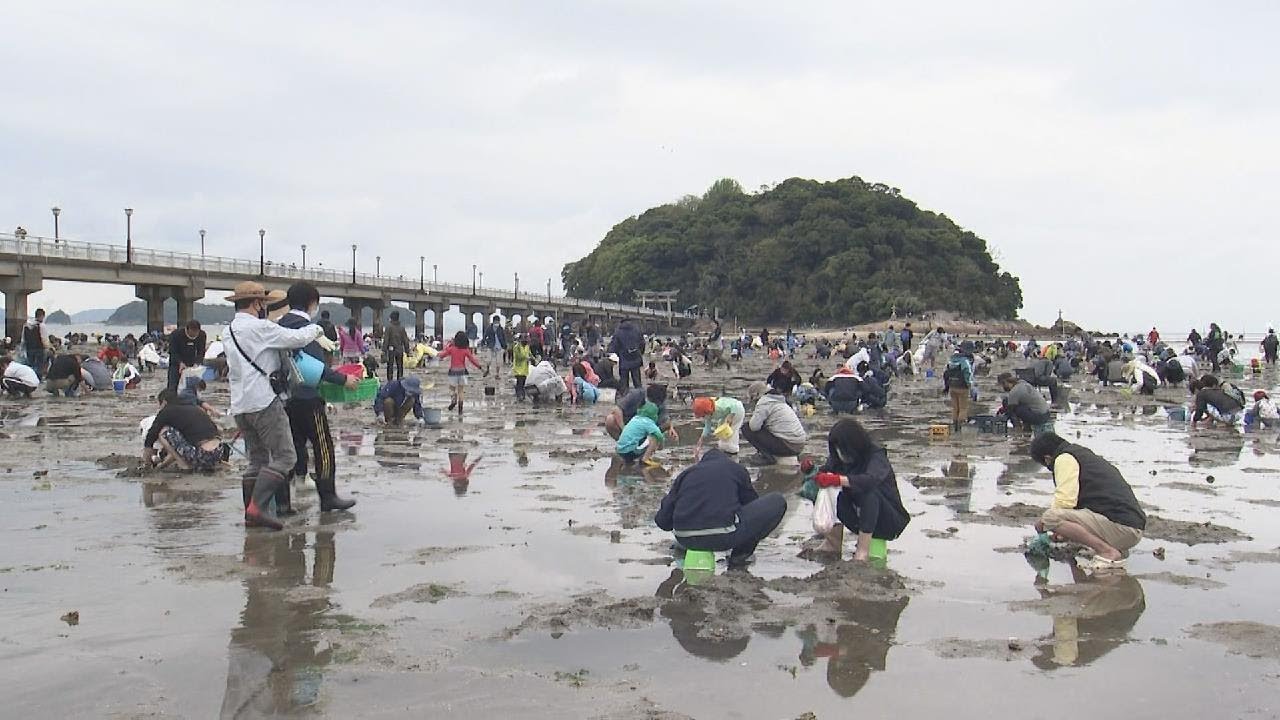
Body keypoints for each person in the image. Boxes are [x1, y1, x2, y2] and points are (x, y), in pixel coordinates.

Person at [224, 281, 330, 531]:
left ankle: (252, 513)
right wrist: (317, 330)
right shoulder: (259, 328)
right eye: (263, 302)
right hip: (263, 402)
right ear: (257, 303)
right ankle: (257, 508)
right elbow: (296, 338)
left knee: (257, 459)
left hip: (240, 405)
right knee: (285, 456)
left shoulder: (229, 331)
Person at [278, 282, 360, 513]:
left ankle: (283, 502)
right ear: (312, 302)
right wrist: (344, 380)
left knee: (289, 449)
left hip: (284, 399)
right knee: (323, 446)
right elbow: (313, 367)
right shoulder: (309, 329)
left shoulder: (277, 326)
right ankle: (328, 496)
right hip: (307, 397)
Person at [1029, 432, 1146, 570]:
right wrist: (1065, 532)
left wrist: (1045, 523)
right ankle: (1114, 550)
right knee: (1059, 518)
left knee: (1050, 517)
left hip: (1123, 528)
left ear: (1047, 458)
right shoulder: (1081, 454)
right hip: (1131, 527)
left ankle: (1107, 551)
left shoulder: (1064, 459)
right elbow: (1078, 509)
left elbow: (1065, 501)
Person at [655, 448, 787, 568]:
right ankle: (739, 557)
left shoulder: (686, 474)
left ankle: (682, 548)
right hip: (722, 538)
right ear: (726, 459)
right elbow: (751, 505)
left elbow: (663, 522)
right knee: (777, 500)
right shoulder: (736, 469)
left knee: (694, 520)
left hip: (685, 538)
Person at [813, 420, 910, 561]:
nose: (839, 452)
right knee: (829, 489)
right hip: (856, 516)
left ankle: (862, 551)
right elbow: (825, 472)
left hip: (886, 519)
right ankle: (832, 543)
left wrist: (839, 480)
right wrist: (812, 472)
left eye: (841, 448)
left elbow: (870, 480)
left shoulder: (875, 456)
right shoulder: (838, 458)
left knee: (869, 492)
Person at [142, 389, 224, 471]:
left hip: (202, 455)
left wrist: (147, 463)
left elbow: (150, 438)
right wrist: (162, 466)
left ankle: (185, 466)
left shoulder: (166, 411)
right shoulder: (194, 408)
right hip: (218, 453)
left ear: (164, 402)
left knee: (164, 431)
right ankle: (198, 463)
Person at [742, 384, 808, 465]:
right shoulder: (778, 400)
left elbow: (753, 427)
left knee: (746, 428)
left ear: (756, 395)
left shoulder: (764, 402)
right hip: (799, 444)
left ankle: (767, 457)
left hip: (789, 445)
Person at [605, 384, 677, 441]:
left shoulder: (660, 401)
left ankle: (646, 449)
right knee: (610, 419)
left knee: (664, 427)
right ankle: (623, 444)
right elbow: (617, 409)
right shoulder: (636, 394)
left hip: (647, 429)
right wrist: (624, 429)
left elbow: (665, 418)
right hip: (628, 423)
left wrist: (671, 428)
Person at [436, 331, 482, 413]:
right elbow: (472, 360)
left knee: (451, 388)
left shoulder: (452, 349)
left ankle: (453, 399)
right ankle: (460, 409)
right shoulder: (466, 350)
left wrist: (447, 347)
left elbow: (442, 355)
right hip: (462, 372)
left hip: (453, 371)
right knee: (461, 390)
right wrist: (480, 367)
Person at [616, 401, 666, 465]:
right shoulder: (648, 422)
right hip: (630, 452)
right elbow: (659, 435)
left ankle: (631, 460)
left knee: (642, 437)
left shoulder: (635, 418)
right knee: (654, 436)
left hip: (620, 451)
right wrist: (661, 445)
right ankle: (645, 459)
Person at [608, 318, 645, 394]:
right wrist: (640, 353)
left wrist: (616, 354)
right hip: (636, 359)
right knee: (637, 381)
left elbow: (614, 346)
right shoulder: (637, 330)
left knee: (624, 382)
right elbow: (642, 343)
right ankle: (641, 398)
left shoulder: (618, 332)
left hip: (624, 359)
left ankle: (625, 398)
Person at [942, 351, 974, 431]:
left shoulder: (950, 362)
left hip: (952, 387)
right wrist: (969, 384)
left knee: (955, 408)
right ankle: (960, 427)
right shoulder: (964, 362)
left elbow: (945, 374)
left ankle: (955, 426)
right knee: (963, 408)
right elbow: (968, 374)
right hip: (963, 387)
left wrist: (947, 387)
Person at [382, 310, 411, 382]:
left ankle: (390, 381)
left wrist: (384, 351)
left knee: (390, 367)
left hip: (391, 350)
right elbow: (405, 340)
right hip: (400, 349)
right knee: (400, 367)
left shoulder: (388, 327)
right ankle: (400, 381)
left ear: (391, 318)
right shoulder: (402, 328)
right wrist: (407, 351)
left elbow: (386, 340)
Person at [22, 308, 49, 380]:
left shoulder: (26, 325)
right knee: (39, 365)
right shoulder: (41, 325)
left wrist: (23, 347)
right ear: (42, 316)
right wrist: (47, 347)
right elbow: (44, 338)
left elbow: (23, 338)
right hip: (39, 348)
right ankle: (38, 379)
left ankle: (30, 378)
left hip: (29, 348)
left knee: (31, 364)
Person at [480, 314, 508, 379]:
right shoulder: (489, 328)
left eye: (498, 322)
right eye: (496, 322)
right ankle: (487, 370)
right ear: (493, 321)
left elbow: (504, 338)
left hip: (499, 347)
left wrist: (505, 346)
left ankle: (497, 374)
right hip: (491, 346)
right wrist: (483, 342)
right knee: (488, 360)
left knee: (498, 362)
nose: (497, 323)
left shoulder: (501, 329)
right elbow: (485, 336)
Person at [512, 334, 531, 401]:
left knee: (522, 383)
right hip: (518, 368)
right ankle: (520, 396)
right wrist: (527, 358)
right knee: (520, 382)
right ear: (520, 340)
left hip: (525, 368)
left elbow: (529, 354)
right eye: (524, 339)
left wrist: (533, 358)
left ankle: (521, 395)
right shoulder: (517, 347)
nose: (525, 341)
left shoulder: (527, 347)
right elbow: (518, 357)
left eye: (526, 339)